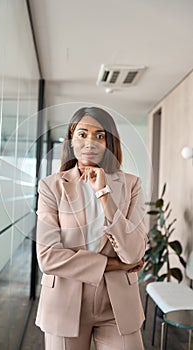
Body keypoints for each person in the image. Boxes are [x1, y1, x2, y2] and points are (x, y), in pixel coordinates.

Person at [35, 106, 147, 350]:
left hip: (117, 305)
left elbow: (133, 253)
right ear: (71, 139)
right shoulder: (51, 187)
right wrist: (114, 264)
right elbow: (47, 257)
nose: (90, 142)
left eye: (100, 135)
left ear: (109, 142)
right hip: (64, 302)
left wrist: (104, 194)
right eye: (82, 134)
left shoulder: (131, 184)